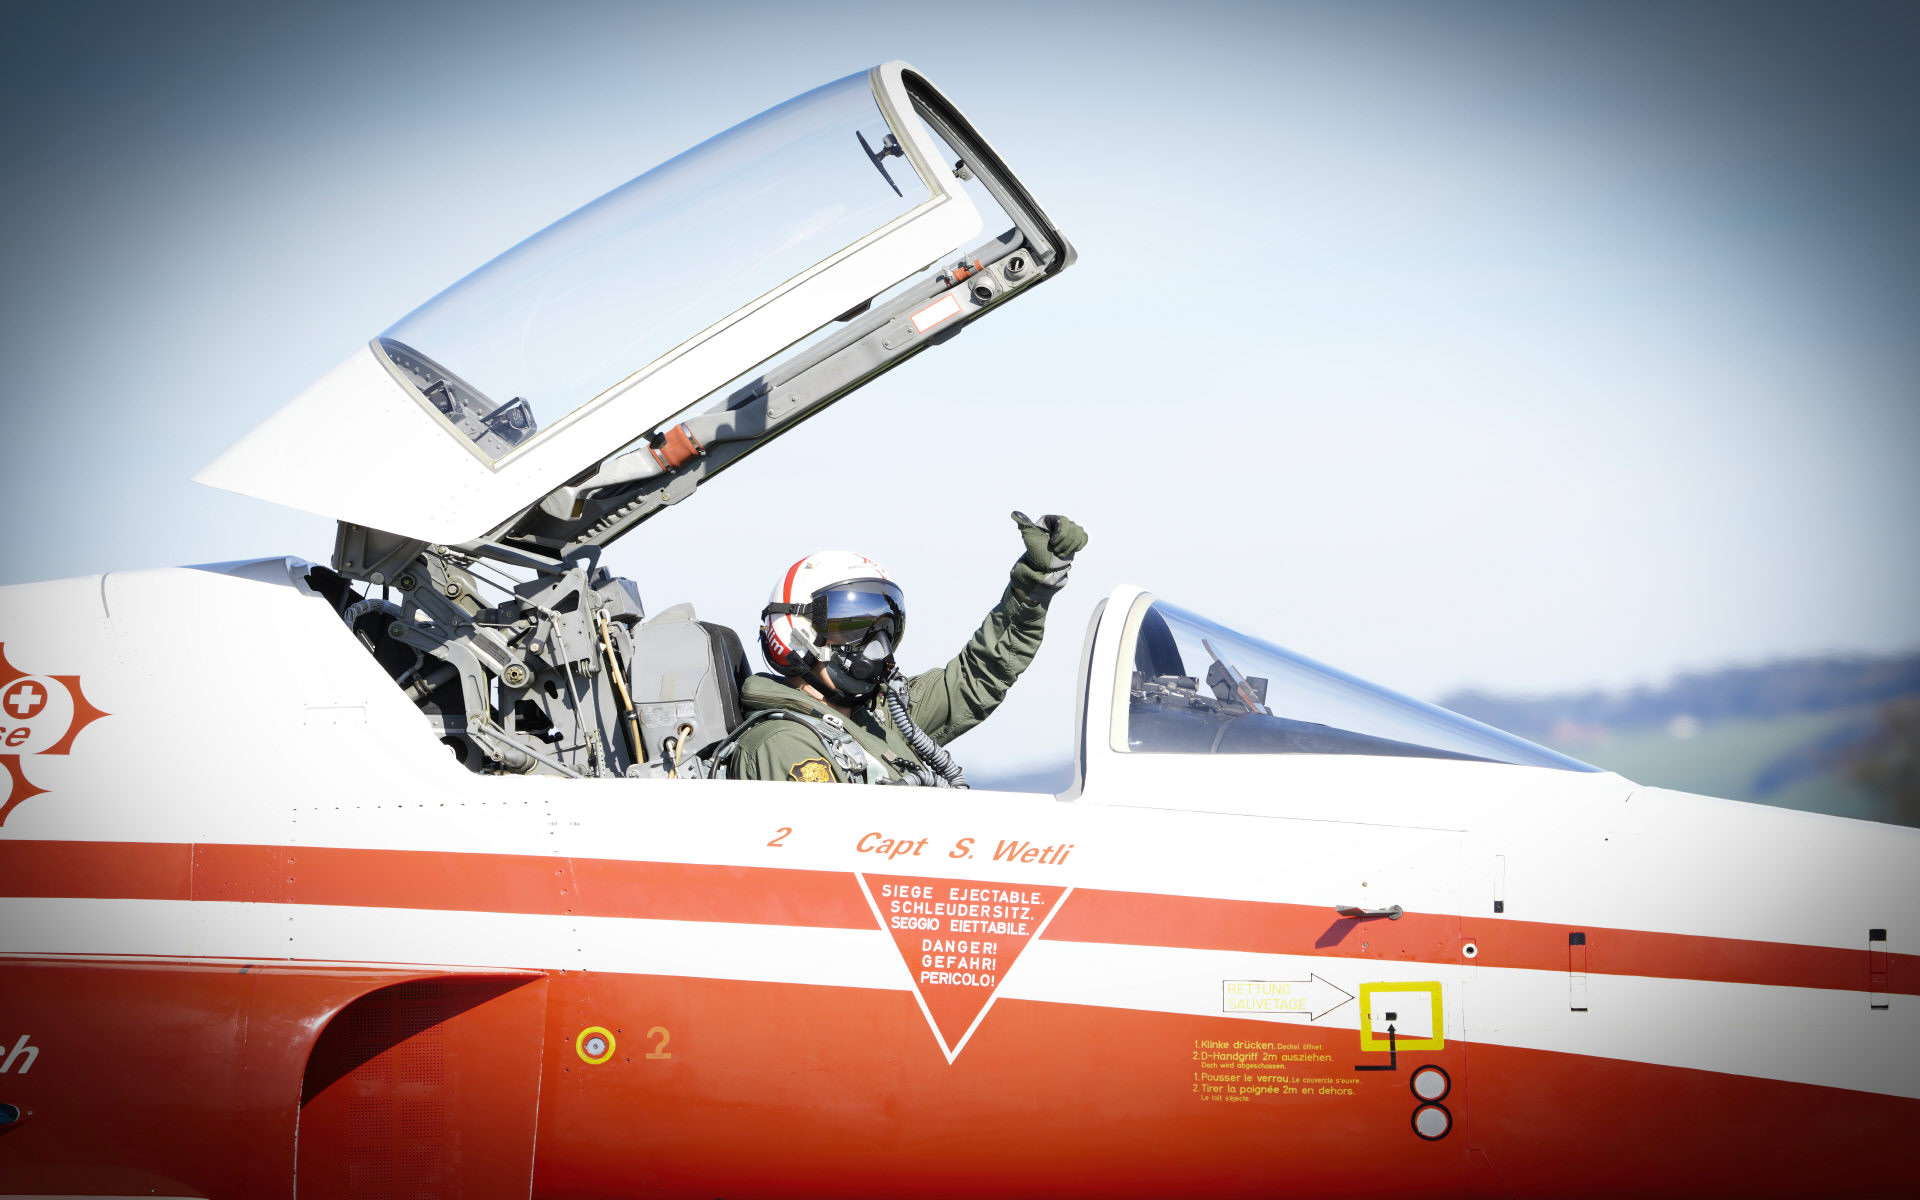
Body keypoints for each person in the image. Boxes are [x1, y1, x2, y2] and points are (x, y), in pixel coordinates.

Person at [715, 512, 1087, 784]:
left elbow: (978, 676)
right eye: (852, 625)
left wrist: (1033, 589)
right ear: (796, 633)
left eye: (885, 627)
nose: (876, 644)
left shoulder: (881, 716)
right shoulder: (782, 742)